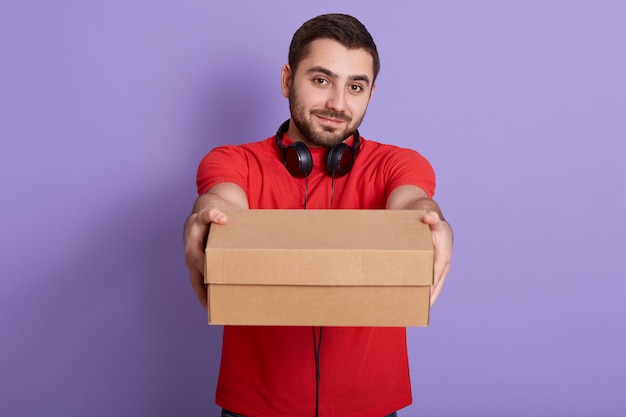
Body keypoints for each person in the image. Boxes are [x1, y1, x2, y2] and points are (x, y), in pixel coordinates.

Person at [183, 13, 453, 417]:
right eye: (321, 80)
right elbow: (222, 201)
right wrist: (208, 215)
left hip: (372, 407)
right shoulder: (232, 160)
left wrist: (432, 219)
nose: (337, 103)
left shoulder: (399, 163)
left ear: (370, 95)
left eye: (355, 86)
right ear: (287, 80)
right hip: (255, 406)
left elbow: (413, 202)